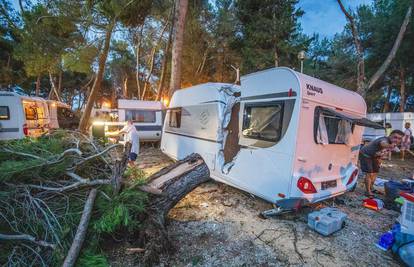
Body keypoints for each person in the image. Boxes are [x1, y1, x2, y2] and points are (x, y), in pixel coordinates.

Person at [359, 130, 404, 198]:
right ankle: (368, 191)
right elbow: (383, 143)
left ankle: (371, 187)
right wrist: (389, 146)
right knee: (369, 173)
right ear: (390, 135)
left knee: (375, 172)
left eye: (399, 138)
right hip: (366, 155)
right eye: (395, 137)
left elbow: (384, 151)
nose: (397, 140)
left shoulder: (393, 144)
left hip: (375, 156)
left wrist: (381, 157)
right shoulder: (384, 140)